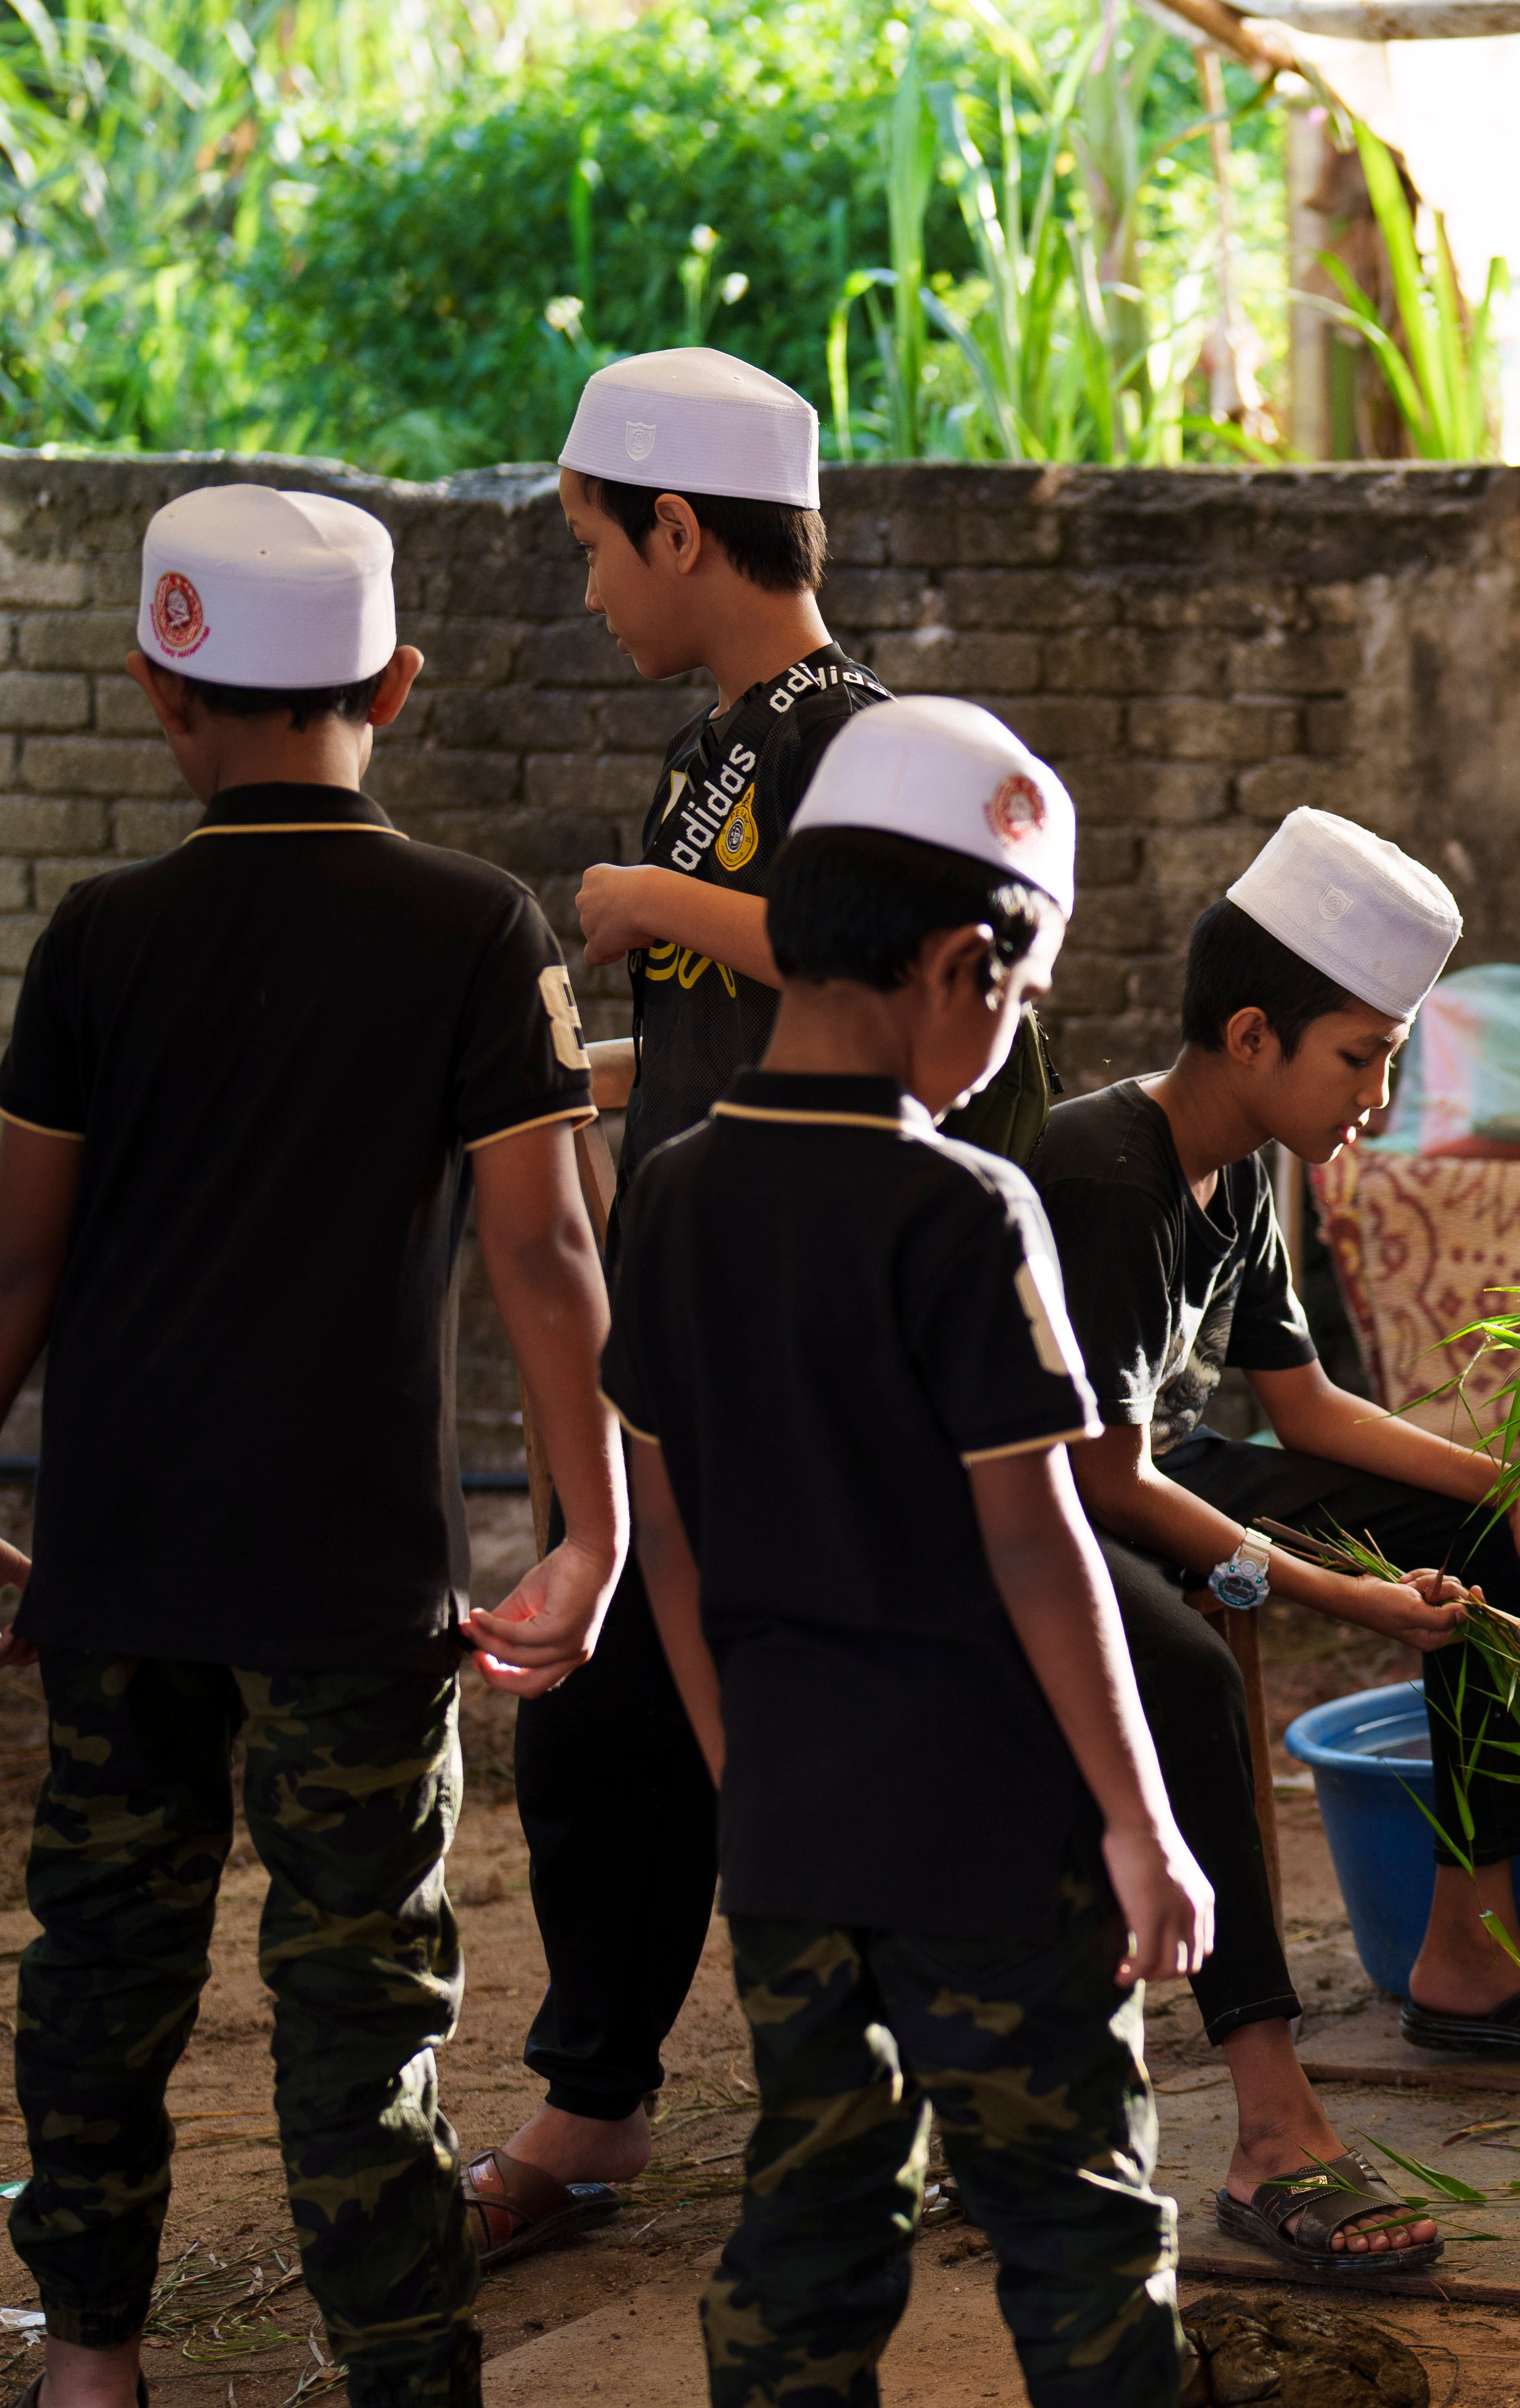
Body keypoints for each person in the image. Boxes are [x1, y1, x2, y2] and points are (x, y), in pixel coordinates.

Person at [0, 483, 713, 2408]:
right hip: (350, 1582)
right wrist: (594, 1517)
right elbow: (545, 1243)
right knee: (356, 2003)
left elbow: (15, 1257)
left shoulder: (99, 938)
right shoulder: (475, 928)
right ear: (395, 685)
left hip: (117, 1560)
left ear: (161, 692)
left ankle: (87, 2370)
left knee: (100, 1959)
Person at [599, 694, 1264, 2408]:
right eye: (1018, 990)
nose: (1009, 1035)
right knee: (1075, 2226)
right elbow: (1040, 1542)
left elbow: (672, 1542)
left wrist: (742, 1771)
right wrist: (1145, 1825)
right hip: (990, 1833)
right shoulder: (962, 1209)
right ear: (959, 965)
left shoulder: (675, 1195)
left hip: (791, 1828)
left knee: (803, 2240)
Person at [478, 346, 1053, 2271]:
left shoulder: (851, 740)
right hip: (688, 1311)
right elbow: (746, 1027)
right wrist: (587, 1087)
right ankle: (600, 2089)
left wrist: (646, 895)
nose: (589, 591)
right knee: (597, 1719)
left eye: (593, 549)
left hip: (816, 1326)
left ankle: (955, 2086)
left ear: (676, 525)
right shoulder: (714, 735)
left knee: (828, 1713)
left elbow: (858, 959)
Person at [1033, 812, 1520, 2169]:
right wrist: (1335, 1590)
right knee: (1197, 1684)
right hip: (1036, 1507)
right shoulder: (1107, 1174)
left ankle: (1469, 1956)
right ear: (1252, 1034)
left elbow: (1303, 1400)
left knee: (1474, 1535)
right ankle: (1263, 2075)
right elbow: (1102, 1474)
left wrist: (1507, 1483)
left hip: (1163, 1469)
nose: (1374, 1103)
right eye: (1361, 1060)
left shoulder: (1249, 1164)